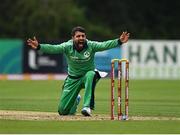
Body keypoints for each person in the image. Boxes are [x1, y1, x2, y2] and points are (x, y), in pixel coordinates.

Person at [27, 26, 130, 116]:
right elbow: (53, 48)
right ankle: (76, 101)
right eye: (78, 36)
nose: (81, 38)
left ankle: (86, 107)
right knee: (63, 111)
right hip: (73, 79)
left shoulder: (91, 45)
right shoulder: (67, 46)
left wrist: (119, 41)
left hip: (87, 77)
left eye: (83, 36)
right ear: (73, 38)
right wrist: (39, 46)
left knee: (90, 74)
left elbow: (105, 45)